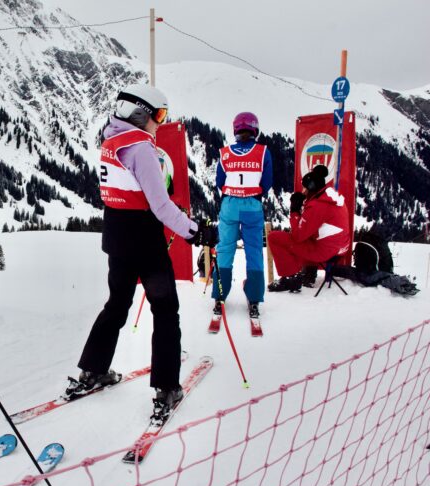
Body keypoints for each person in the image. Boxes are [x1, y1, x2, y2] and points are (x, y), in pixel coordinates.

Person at [67, 83, 217, 418]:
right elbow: (161, 206)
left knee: (117, 305)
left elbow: (123, 191)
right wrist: (196, 232)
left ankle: (92, 370)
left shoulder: (110, 141)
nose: (161, 122)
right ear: (140, 113)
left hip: (117, 239)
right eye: (159, 114)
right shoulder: (141, 148)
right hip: (146, 242)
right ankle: (166, 388)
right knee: (165, 311)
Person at [211, 112, 273, 319]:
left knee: (225, 249)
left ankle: (220, 296)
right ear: (255, 129)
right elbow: (267, 182)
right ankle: (254, 298)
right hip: (252, 204)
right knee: (254, 250)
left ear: (235, 129)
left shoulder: (225, 153)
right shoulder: (263, 152)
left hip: (229, 204)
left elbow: (219, 181)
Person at [267, 164, 350, 292]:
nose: (303, 190)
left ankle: (290, 278)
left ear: (312, 187)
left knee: (275, 238)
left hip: (326, 251)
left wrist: (295, 211)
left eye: (305, 187)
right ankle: (308, 274)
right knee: (308, 238)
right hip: (340, 247)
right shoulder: (331, 197)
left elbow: (298, 235)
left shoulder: (318, 206)